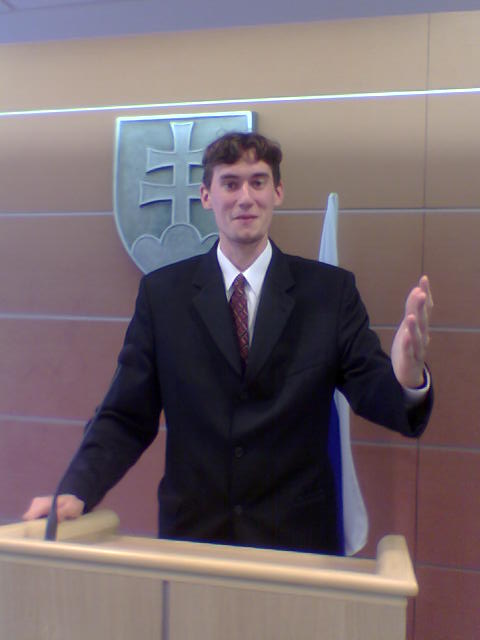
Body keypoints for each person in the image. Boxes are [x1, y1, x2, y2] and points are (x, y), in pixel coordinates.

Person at [24, 132, 433, 555]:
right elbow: (126, 415)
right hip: (195, 538)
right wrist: (77, 489)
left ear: (278, 192)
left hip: (296, 542)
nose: (245, 198)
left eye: (258, 182)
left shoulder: (329, 293)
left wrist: (407, 376)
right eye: (230, 183)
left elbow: (375, 395)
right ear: (206, 196)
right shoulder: (163, 296)